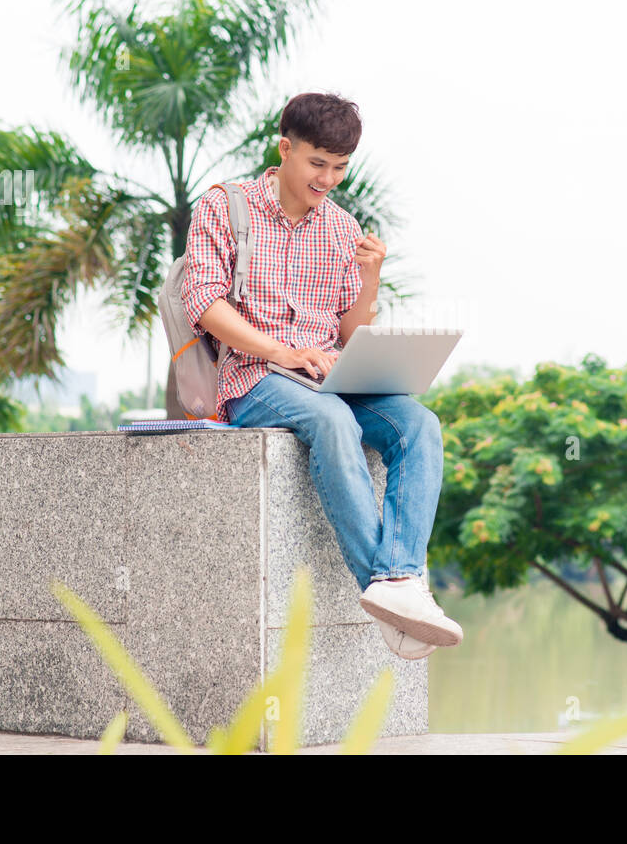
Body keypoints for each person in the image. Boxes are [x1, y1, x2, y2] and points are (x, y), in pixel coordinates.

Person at [180, 91, 462, 661]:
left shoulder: (341, 228)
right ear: (285, 149)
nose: (327, 179)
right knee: (333, 419)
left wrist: (370, 279)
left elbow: (351, 333)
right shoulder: (223, 208)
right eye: (317, 163)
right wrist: (284, 352)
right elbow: (205, 303)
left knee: (418, 424)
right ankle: (387, 587)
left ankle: (397, 580)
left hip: (329, 370)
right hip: (255, 376)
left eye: (340, 168)